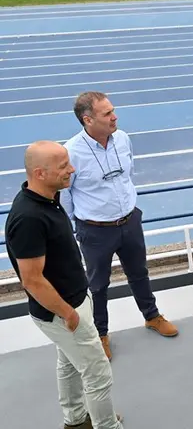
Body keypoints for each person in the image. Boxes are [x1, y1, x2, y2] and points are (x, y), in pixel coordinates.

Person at [6, 141, 124, 429]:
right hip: (63, 311)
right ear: (40, 173)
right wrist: (68, 313)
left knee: (69, 364)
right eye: (63, 167)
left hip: (71, 301)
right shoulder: (29, 218)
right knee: (97, 373)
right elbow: (32, 279)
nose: (72, 169)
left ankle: (76, 420)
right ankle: (107, 426)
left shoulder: (47, 198)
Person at [60, 91, 177, 362]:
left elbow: (128, 175)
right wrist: (75, 227)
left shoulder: (123, 139)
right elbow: (65, 196)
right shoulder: (71, 152)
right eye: (107, 113)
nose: (115, 117)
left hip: (129, 221)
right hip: (95, 230)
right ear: (88, 120)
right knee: (98, 285)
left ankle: (152, 316)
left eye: (113, 110)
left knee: (140, 273)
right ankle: (100, 334)